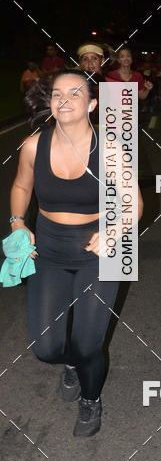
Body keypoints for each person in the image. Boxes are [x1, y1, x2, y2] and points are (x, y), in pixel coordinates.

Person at [10, 70, 143, 437]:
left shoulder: (112, 148)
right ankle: (72, 364)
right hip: (49, 250)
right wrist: (18, 221)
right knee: (45, 347)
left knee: (89, 343)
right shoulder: (34, 145)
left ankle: (90, 397)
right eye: (57, 94)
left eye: (74, 93)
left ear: (93, 104)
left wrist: (114, 231)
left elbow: (134, 202)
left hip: (100, 249)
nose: (64, 100)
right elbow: (22, 185)